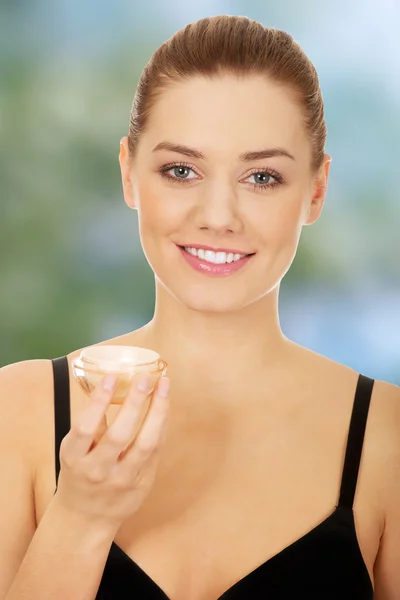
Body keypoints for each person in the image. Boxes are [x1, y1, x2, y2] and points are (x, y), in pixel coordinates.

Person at [1, 14, 399, 600]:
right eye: (181, 170)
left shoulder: (387, 434)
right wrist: (81, 518)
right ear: (129, 174)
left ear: (316, 190)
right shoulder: (20, 411)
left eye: (262, 177)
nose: (218, 215)